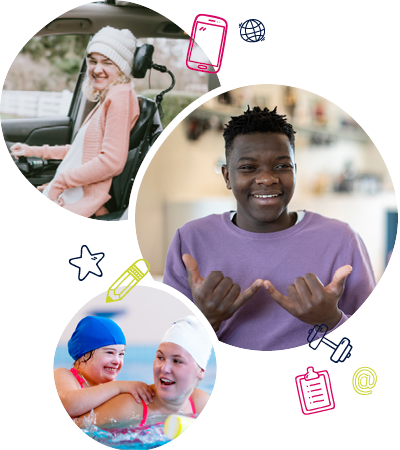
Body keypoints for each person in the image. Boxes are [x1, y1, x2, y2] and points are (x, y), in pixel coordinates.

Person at [163, 106, 376, 351]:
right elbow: (173, 348)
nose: (267, 178)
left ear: (295, 171)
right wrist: (207, 319)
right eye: (248, 167)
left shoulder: (342, 239)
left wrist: (330, 320)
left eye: (281, 166)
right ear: (227, 177)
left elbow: (371, 341)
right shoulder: (190, 240)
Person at [10, 26, 140, 218]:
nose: (96, 69)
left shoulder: (120, 96)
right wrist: (33, 151)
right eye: (92, 61)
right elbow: (81, 153)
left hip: (80, 200)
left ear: (121, 68)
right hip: (71, 193)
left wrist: (61, 182)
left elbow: (112, 163)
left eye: (107, 62)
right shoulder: (109, 96)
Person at [74, 316, 212, 427]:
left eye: (177, 361)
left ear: (200, 371)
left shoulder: (202, 405)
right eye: (160, 357)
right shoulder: (129, 406)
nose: (164, 368)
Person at [54, 316, 154, 418]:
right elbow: (67, 405)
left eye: (121, 354)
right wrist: (118, 387)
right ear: (84, 355)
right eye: (110, 352)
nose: (117, 361)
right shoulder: (63, 375)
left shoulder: (112, 386)